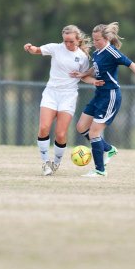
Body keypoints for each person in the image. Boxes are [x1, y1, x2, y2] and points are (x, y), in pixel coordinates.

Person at [24, 25, 102, 176]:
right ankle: (45, 163)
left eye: (71, 41)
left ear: (78, 40)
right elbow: (37, 50)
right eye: (65, 41)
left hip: (68, 96)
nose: (67, 44)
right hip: (51, 93)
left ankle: (56, 163)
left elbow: (84, 75)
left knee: (60, 134)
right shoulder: (55, 48)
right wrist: (30, 48)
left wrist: (93, 81)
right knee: (44, 128)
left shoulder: (83, 57)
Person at [70, 22, 135, 178]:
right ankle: (108, 149)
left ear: (106, 39)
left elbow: (131, 64)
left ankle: (100, 170)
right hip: (99, 95)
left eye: (98, 40)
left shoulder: (112, 52)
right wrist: (83, 74)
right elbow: (95, 69)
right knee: (81, 126)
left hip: (110, 96)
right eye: (94, 39)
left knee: (94, 133)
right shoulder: (97, 53)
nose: (95, 42)